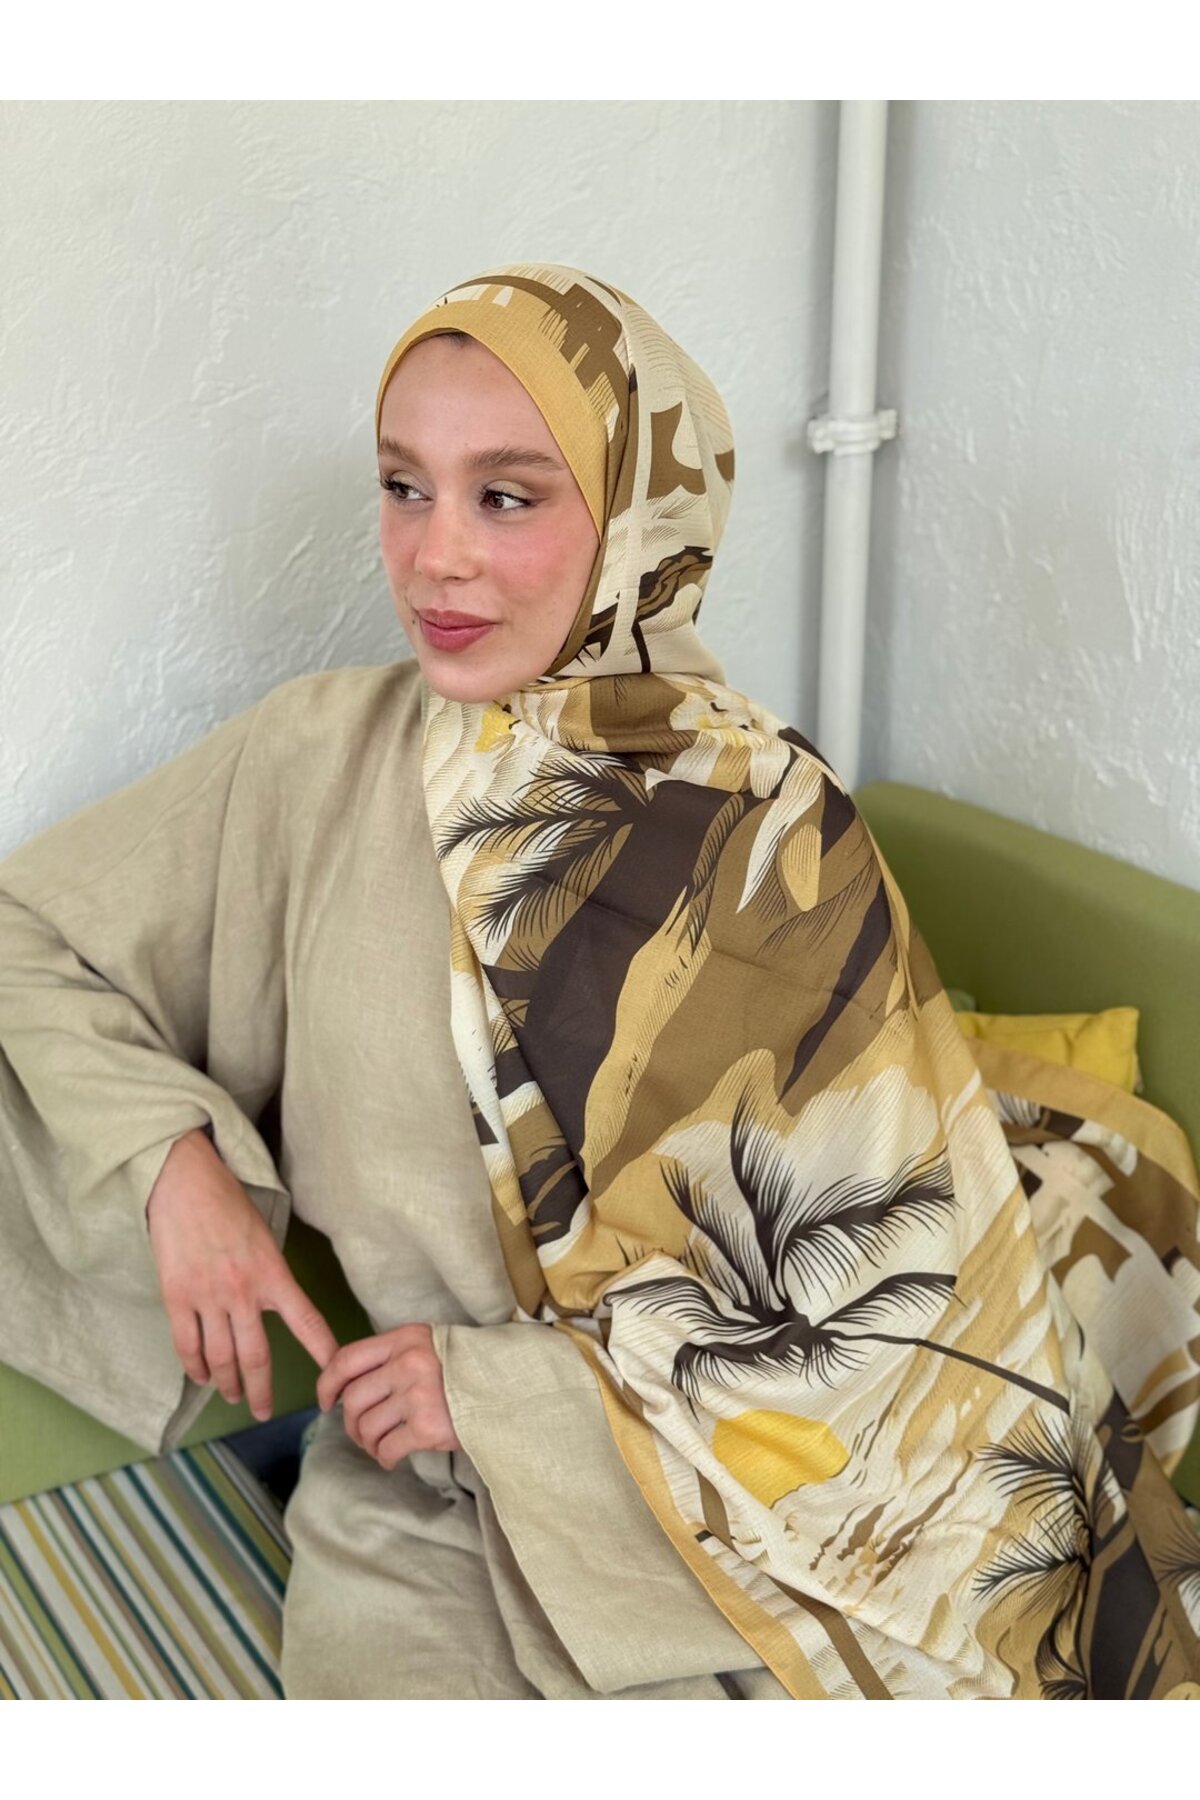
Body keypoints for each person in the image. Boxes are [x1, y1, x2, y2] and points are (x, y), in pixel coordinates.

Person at [1, 263, 1198, 1700]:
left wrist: (500, 1395)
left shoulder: (767, 826)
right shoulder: (311, 763)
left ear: (639, 518)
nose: (435, 557)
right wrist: (168, 1161)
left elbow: (877, 1309)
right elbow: (26, 934)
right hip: (424, 1505)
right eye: (403, 487)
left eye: (506, 496)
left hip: (755, 1523)